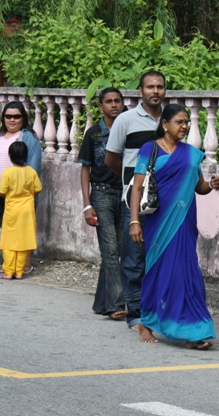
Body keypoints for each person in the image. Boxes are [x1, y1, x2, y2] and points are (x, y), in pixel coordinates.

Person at [128, 104, 219, 349]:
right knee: (158, 270)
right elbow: (137, 187)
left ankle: (191, 331)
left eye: (186, 122)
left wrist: (211, 185)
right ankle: (146, 321)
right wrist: (134, 221)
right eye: (179, 122)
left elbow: (198, 187)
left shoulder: (191, 153)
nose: (184, 126)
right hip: (158, 222)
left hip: (185, 221)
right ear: (165, 124)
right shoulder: (150, 149)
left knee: (186, 272)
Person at [105, 71, 165, 343]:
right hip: (135, 201)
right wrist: (133, 182)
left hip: (165, 200)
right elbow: (111, 159)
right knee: (133, 258)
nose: (156, 91)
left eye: (160, 87)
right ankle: (135, 314)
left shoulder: (171, 118)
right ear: (140, 91)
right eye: (150, 87)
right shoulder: (125, 120)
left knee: (160, 257)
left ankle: (158, 311)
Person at [78, 87, 126, 320]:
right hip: (101, 194)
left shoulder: (129, 130)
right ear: (101, 106)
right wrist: (87, 204)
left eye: (117, 101)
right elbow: (85, 169)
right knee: (110, 251)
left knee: (121, 250)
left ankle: (101, 302)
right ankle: (116, 303)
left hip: (126, 194)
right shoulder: (94, 134)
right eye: (109, 102)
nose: (114, 105)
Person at [0, 101, 43, 275]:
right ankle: (13, 266)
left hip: (20, 197)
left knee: (23, 231)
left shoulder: (29, 138)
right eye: (8, 116)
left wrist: (21, 186)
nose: (12, 120)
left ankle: (23, 266)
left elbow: (33, 169)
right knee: (8, 229)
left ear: (23, 118)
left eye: (16, 116)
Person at [0, 142, 42, 280]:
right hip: (27, 210)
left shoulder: (8, 172)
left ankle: (8, 271)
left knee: (9, 240)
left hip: (12, 209)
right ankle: (19, 271)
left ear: (10, 156)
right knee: (24, 240)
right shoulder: (31, 171)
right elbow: (38, 189)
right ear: (26, 156)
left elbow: (1, 191)